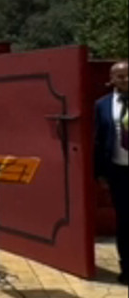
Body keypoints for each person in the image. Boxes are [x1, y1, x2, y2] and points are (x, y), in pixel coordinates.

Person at [94, 60, 128, 286]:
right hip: (119, 172)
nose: (126, 80)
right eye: (121, 76)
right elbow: (98, 140)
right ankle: (127, 268)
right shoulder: (102, 105)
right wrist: (100, 173)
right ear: (112, 79)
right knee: (125, 223)